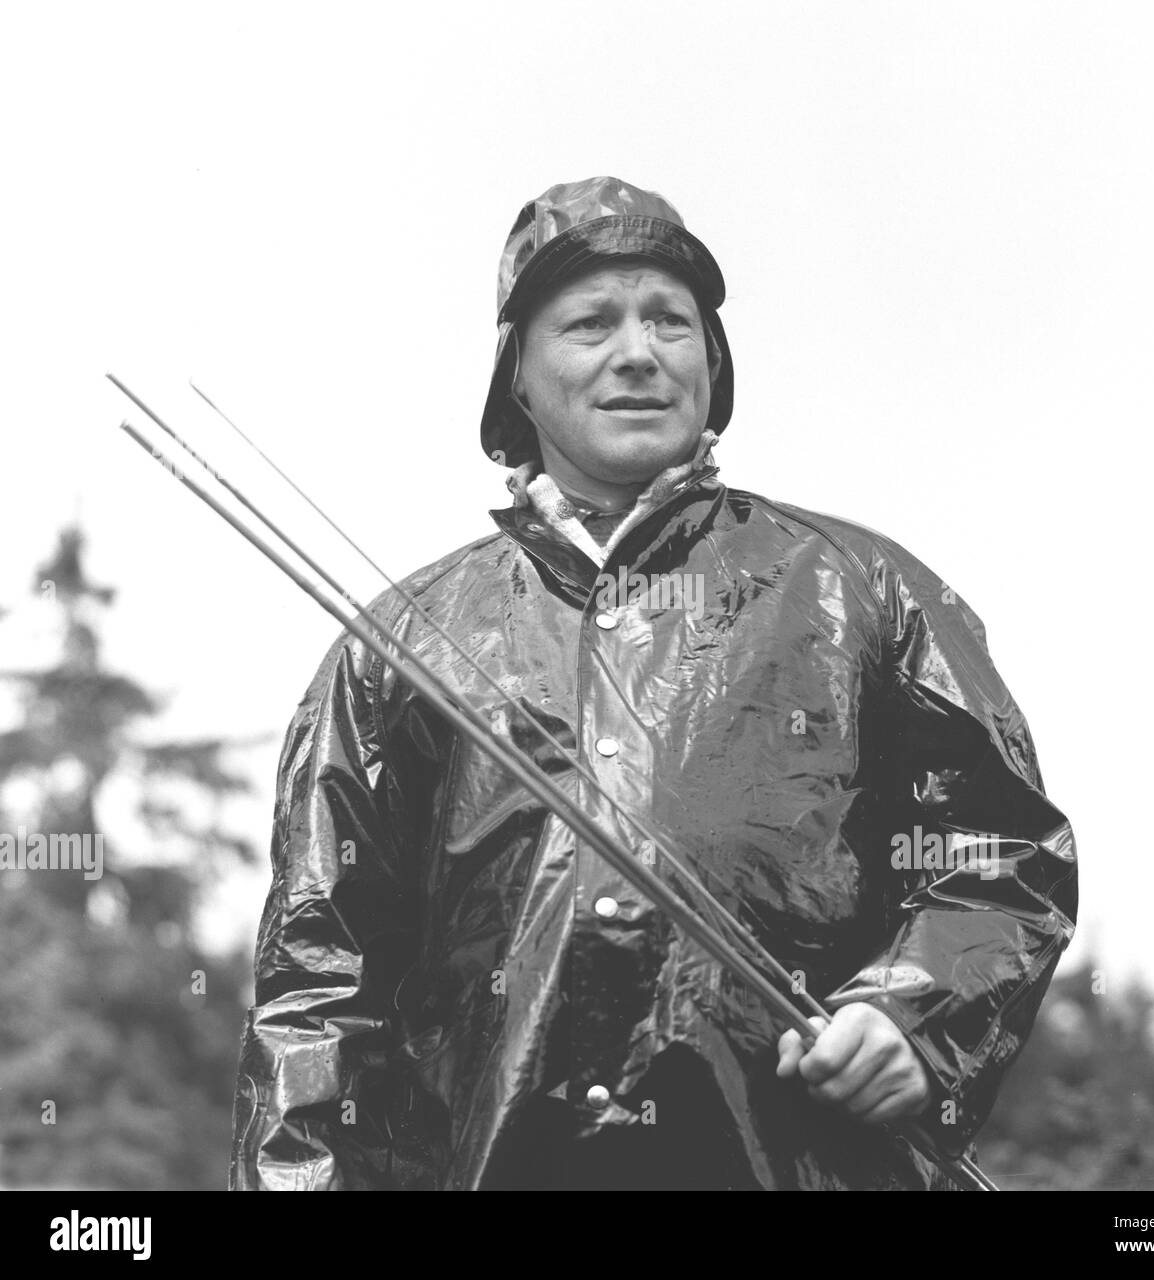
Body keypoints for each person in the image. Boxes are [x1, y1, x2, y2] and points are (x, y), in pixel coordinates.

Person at [229, 176, 1078, 1191]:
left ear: (711, 365)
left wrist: (911, 1013)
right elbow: (318, 988)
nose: (637, 351)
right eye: (590, 321)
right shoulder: (399, 645)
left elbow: (995, 854)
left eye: (668, 319)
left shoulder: (862, 589)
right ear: (518, 381)